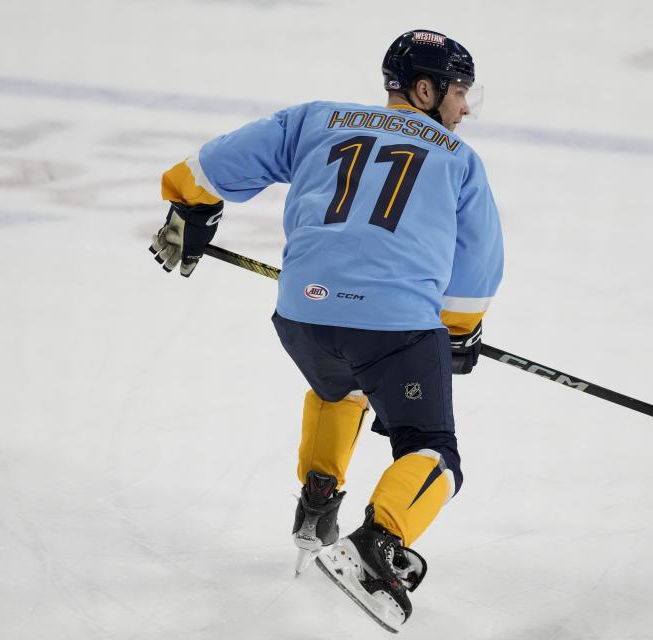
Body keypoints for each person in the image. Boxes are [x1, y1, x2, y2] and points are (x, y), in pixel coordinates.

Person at [149, 29, 503, 631]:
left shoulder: (316, 120)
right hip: (393, 329)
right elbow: (476, 264)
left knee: (342, 388)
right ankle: (377, 544)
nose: (464, 107)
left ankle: (318, 502)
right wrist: (458, 331)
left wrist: (191, 207)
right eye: (460, 92)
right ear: (426, 89)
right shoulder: (458, 159)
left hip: (302, 317)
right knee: (432, 450)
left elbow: (210, 166)